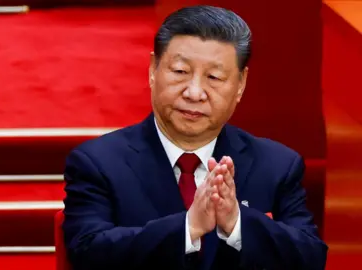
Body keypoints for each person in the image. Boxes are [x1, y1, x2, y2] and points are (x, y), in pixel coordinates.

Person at [62, 5, 328, 270]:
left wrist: (237, 223)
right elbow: (87, 252)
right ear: (153, 70)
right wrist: (188, 228)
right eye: (180, 71)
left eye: (214, 77)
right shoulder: (97, 163)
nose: (194, 92)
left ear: (240, 85)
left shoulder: (277, 165)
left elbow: (310, 257)